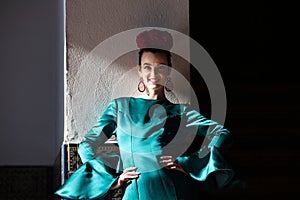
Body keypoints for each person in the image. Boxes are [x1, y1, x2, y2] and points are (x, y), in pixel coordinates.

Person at [55, 29, 237, 200]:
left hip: (177, 190)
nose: (154, 74)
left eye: (161, 67)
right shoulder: (120, 107)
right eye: (148, 67)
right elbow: (86, 146)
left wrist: (190, 164)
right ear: (139, 69)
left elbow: (222, 133)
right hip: (136, 191)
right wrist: (112, 180)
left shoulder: (183, 112)